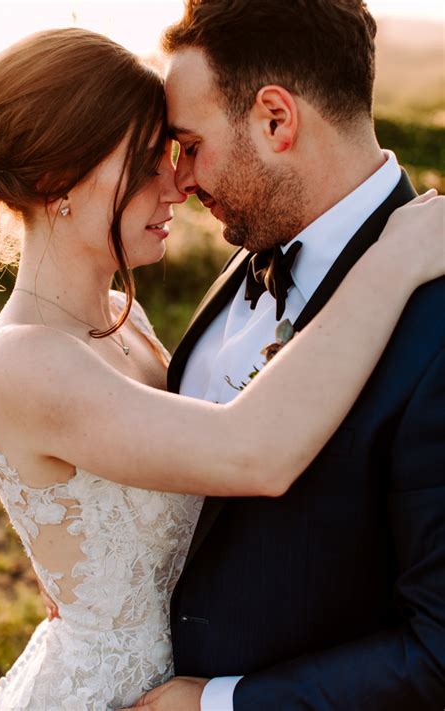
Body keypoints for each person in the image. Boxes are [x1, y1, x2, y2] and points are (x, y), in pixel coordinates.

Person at [0, 25, 442, 711]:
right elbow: (249, 449)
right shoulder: (24, 360)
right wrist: (397, 258)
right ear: (54, 183)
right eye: (147, 161)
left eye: (178, 149)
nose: (177, 183)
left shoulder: (123, 316)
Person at [123, 1, 445, 709]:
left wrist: (220, 703)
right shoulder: (252, 246)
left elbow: (439, 652)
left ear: (276, 119)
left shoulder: (438, 321)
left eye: (190, 143)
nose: (178, 180)